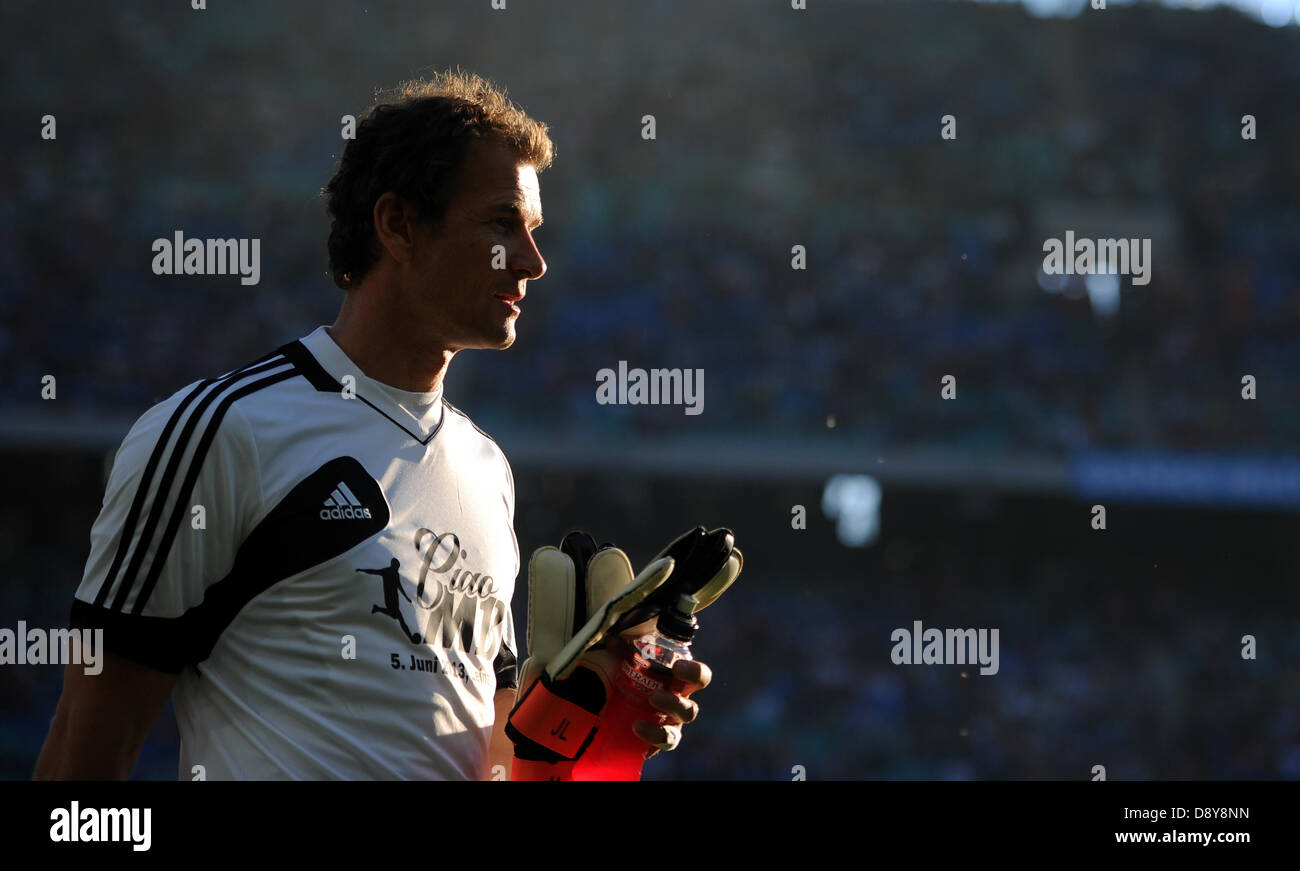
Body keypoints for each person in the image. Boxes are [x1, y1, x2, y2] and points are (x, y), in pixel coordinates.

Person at [33, 70, 710, 780]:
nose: (534, 261)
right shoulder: (221, 432)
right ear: (397, 225)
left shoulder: (487, 471)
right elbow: (81, 770)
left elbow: (498, 763)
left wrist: (584, 722)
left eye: (533, 231)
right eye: (500, 223)